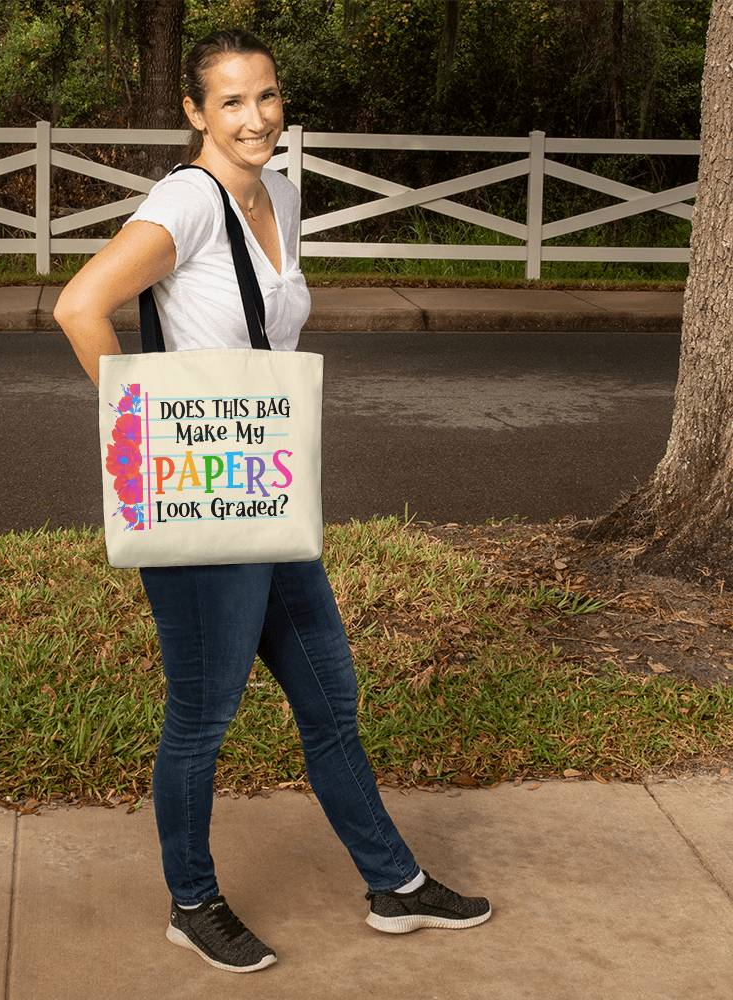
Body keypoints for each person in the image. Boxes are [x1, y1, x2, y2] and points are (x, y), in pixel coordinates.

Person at [53, 27, 492, 975]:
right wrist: (145, 432)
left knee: (331, 698)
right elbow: (79, 307)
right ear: (195, 113)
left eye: (268, 97)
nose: (256, 119)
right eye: (233, 102)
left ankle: (395, 886)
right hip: (199, 499)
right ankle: (192, 901)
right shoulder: (187, 200)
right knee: (202, 718)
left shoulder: (282, 197)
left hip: (268, 493)